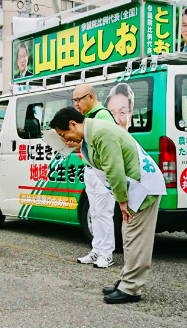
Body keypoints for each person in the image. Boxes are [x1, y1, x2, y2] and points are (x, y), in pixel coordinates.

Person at [49, 107, 166, 304]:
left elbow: (114, 168)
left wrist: (121, 200)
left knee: (135, 238)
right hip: (135, 187)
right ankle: (126, 281)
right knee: (129, 235)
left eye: (63, 134)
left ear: (72, 124)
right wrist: (77, 145)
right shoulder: (92, 133)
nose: (63, 139)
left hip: (142, 188)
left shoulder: (100, 132)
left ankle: (131, 288)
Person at [71, 84, 117, 269]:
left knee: (104, 213)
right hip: (90, 170)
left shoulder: (103, 115)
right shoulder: (88, 117)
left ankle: (106, 254)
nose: (76, 104)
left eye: (78, 100)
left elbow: (108, 146)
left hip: (102, 172)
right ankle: (97, 250)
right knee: (95, 213)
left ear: (90, 97)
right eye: (74, 100)